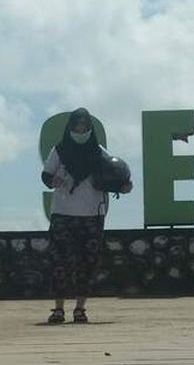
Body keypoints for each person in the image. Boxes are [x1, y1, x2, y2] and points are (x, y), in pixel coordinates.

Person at [40, 108, 133, 324]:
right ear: (70, 127)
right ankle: (58, 309)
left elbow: (113, 174)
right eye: (77, 125)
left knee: (88, 262)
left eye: (84, 125)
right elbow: (46, 174)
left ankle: (80, 309)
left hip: (92, 214)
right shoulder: (60, 150)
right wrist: (53, 181)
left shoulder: (99, 152)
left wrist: (123, 186)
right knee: (60, 262)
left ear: (90, 127)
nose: (80, 129)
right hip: (63, 213)